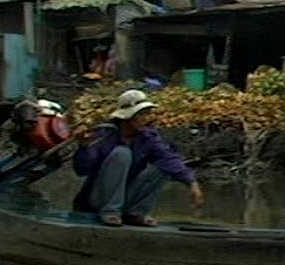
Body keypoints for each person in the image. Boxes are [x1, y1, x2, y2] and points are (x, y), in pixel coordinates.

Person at [72, 89, 204, 227]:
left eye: (146, 114)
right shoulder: (105, 134)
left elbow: (169, 158)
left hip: (126, 199)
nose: (145, 118)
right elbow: (82, 170)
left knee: (164, 167)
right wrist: (83, 146)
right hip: (98, 199)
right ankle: (110, 211)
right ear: (128, 117)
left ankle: (136, 213)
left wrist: (192, 183)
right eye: (141, 114)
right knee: (122, 153)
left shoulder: (147, 137)